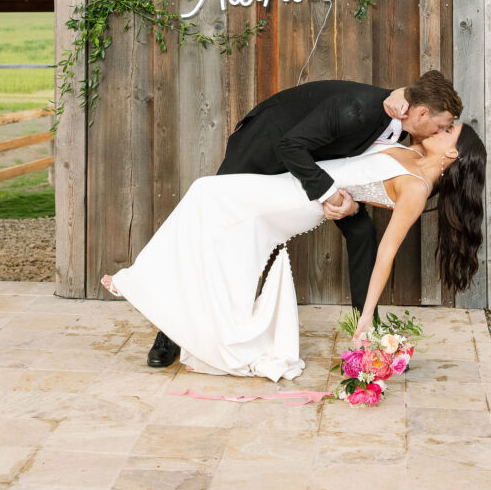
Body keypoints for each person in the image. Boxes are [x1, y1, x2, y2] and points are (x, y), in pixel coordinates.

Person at [102, 121, 485, 379]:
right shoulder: (413, 153)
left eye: (449, 129)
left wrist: (367, 316)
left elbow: (386, 252)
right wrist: (348, 201)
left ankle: (136, 278)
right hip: (302, 183)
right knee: (225, 240)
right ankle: (197, 320)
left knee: (205, 191)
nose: (441, 124)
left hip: (301, 200)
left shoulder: (416, 189)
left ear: (451, 155)